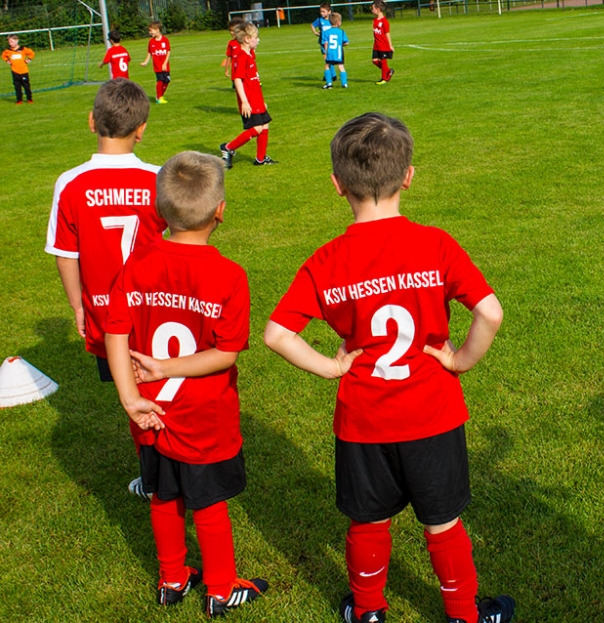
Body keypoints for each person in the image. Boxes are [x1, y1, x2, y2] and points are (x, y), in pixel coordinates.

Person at [263, 112, 515, 623]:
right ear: (408, 176)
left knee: (368, 522)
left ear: (337, 185)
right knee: (442, 522)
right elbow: (490, 313)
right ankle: (463, 615)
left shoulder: (326, 260)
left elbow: (276, 334)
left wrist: (331, 368)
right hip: (433, 413)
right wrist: (458, 360)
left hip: (364, 419)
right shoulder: (435, 244)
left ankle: (368, 612)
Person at [104, 151, 268, 616]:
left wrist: (130, 397)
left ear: (160, 210)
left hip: (150, 411)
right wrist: (168, 367)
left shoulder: (137, 264)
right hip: (204, 415)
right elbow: (226, 353)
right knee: (209, 502)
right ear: (221, 211)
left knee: (163, 493)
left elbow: (115, 332)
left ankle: (172, 579)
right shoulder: (229, 276)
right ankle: (220, 588)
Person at [44, 78, 167, 499]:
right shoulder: (158, 178)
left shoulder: (70, 182)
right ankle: (173, 466)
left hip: (105, 311)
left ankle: (154, 477)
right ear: (142, 128)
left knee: (130, 391)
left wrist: (78, 306)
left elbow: (66, 254)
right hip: (157, 307)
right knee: (160, 384)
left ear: (92, 121)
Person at [219, 23, 276, 168]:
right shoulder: (241, 57)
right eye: (256, 37)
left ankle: (260, 159)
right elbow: (237, 79)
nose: (258, 40)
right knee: (257, 129)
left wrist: (262, 101)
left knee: (265, 125)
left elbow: (254, 80)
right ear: (247, 39)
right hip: (249, 101)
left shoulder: (250, 55)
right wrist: (244, 101)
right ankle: (228, 148)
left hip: (257, 99)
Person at [140, 21, 171, 103]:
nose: (150, 32)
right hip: (157, 66)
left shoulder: (165, 40)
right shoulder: (151, 42)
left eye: (151, 30)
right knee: (160, 80)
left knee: (167, 81)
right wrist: (146, 62)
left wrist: (165, 63)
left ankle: (160, 96)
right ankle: (159, 98)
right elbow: (149, 53)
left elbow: (168, 52)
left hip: (165, 66)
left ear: (157, 29)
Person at [3, 34, 34, 104]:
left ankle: (29, 98)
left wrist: (28, 60)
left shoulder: (23, 49)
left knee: (26, 86)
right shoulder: (8, 51)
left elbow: (31, 53)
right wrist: (7, 61)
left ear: (17, 41)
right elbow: (4, 56)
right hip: (14, 71)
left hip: (23, 71)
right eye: (9, 42)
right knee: (17, 86)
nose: (10, 43)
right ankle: (19, 100)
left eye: (12, 41)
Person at [323, 12, 350, 89]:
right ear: (338, 22)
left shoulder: (326, 32)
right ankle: (344, 84)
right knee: (341, 66)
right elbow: (346, 43)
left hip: (330, 53)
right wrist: (340, 44)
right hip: (339, 52)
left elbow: (326, 44)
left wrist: (325, 53)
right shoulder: (341, 32)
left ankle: (329, 83)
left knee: (327, 66)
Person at [371, 0, 394, 85]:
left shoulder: (384, 21)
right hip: (376, 45)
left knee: (383, 61)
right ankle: (388, 71)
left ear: (377, 9)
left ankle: (384, 78)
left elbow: (387, 33)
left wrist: (390, 45)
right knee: (374, 60)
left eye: (373, 9)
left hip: (383, 45)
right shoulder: (374, 21)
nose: (372, 10)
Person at [221, 17, 244, 88]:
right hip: (235, 71)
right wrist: (226, 69)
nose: (231, 32)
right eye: (230, 30)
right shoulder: (231, 43)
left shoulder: (245, 42)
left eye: (233, 31)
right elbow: (229, 57)